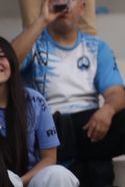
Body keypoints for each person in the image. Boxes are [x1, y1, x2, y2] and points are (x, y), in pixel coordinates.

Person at [11, 0, 125, 187]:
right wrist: (42, 20)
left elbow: (117, 93)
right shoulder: (34, 43)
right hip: (48, 128)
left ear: (82, 8)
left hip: (90, 128)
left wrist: (107, 110)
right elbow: (7, 62)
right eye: (55, 0)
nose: (63, 5)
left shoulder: (96, 47)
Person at [0, 37, 78, 187]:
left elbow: (49, 158)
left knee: (59, 174)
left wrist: (18, 183)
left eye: (2, 56)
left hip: (27, 181)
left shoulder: (34, 101)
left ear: (12, 62)